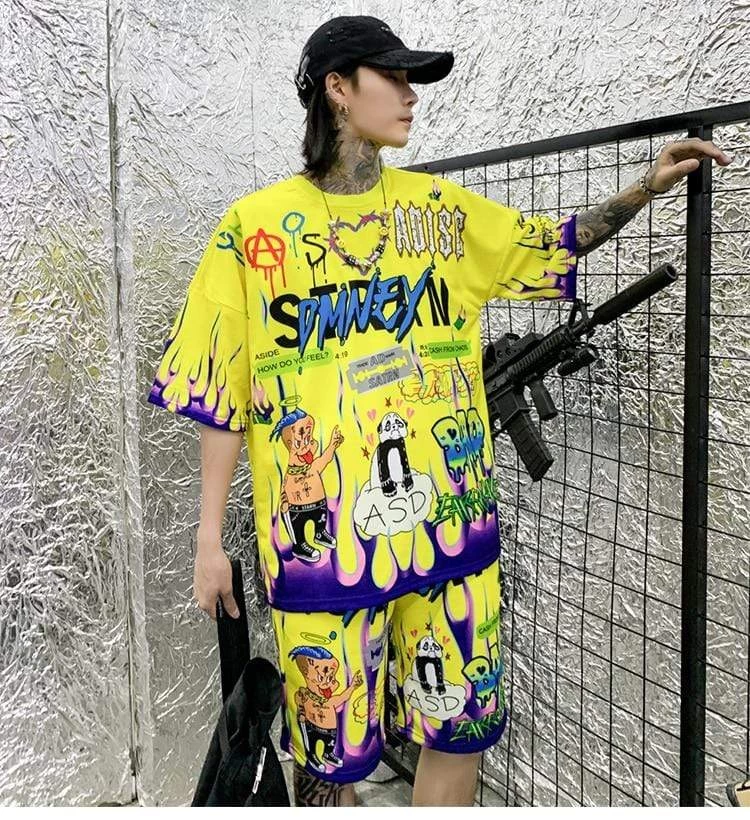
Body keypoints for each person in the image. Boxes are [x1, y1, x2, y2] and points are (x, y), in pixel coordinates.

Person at [146, 14, 732, 807]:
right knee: (330, 762)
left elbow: (554, 242)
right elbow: (220, 393)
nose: (411, 94)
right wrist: (209, 541)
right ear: (338, 88)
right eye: (393, 76)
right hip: (325, 554)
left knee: (460, 730)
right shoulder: (252, 232)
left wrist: (647, 185)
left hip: (449, 535)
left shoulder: (441, 215)